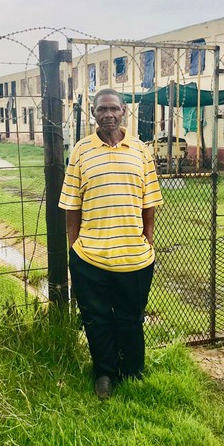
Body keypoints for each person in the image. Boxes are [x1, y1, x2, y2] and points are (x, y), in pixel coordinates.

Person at [59, 88, 163, 399]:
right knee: (97, 320)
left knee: (131, 319)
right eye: (102, 109)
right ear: (93, 113)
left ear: (124, 112)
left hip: (135, 259)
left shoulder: (140, 151)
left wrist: (148, 241)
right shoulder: (81, 151)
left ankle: (132, 370)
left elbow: (150, 202)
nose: (108, 114)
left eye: (114, 109)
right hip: (90, 259)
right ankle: (104, 373)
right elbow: (72, 206)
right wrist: (75, 248)